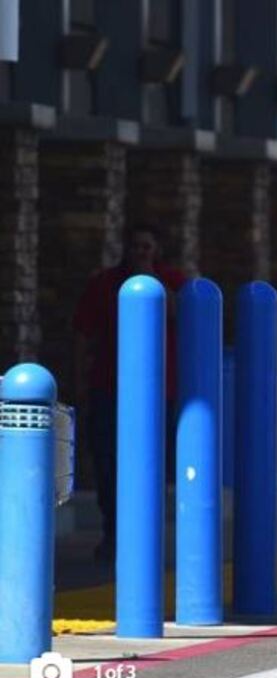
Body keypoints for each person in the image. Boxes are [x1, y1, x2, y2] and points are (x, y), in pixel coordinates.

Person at [73, 223, 187, 563]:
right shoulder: (105, 283)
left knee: (153, 463)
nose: (142, 252)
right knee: (108, 463)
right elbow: (82, 332)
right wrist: (80, 382)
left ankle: (145, 537)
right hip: (109, 388)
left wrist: (151, 280)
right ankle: (114, 533)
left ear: (158, 250)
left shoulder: (172, 282)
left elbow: (182, 315)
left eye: (148, 246)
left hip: (159, 393)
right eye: (136, 246)